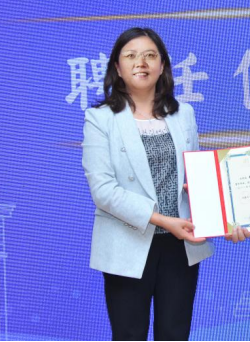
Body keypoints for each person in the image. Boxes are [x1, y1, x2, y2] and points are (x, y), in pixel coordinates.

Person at [82, 27, 213, 341]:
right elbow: (103, 191)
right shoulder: (100, 118)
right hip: (127, 242)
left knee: (175, 334)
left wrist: (224, 214)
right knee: (129, 334)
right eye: (131, 56)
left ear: (162, 65)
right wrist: (161, 219)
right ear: (117, 67)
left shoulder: (184, 114)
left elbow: (195, 178)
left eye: (150, 55)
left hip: (181, 244)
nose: (141, 62)